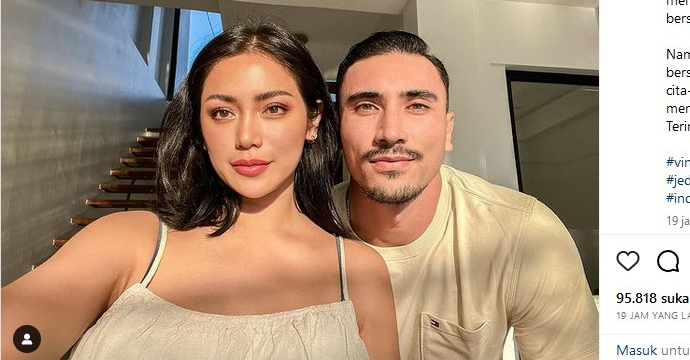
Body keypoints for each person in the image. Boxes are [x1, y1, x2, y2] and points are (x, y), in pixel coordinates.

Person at [2, 22, 399, 359]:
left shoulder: (360, 273)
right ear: (200, 128)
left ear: (312, 120)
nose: (246, 137)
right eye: (222, 112)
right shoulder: (126, 244)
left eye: (274, 108)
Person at [333, 31, 598, 359]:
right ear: (337, 128)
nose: (390, 132)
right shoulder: (301, 226)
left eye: (417, 106)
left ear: (448, 130)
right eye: (366, 106)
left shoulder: (525, 233)